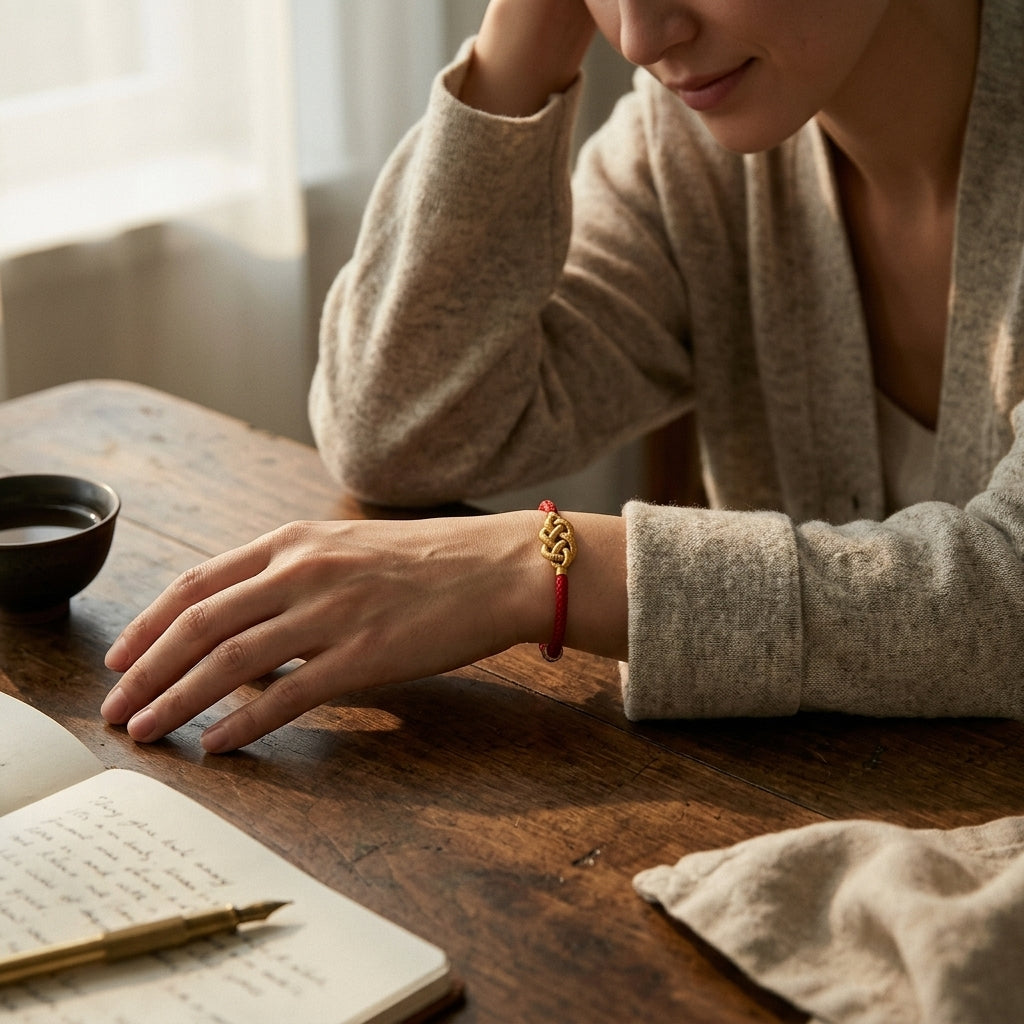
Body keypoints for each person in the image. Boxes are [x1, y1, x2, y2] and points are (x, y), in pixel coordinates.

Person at [101, 0, 1024, 754]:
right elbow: (402, 431)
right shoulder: (692, 149)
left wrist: (539, 568)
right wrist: (522, 40)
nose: (638, 35)